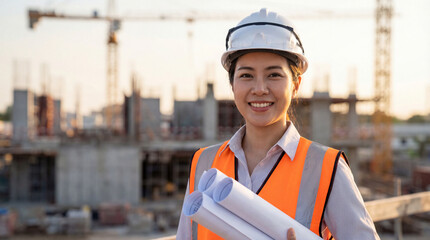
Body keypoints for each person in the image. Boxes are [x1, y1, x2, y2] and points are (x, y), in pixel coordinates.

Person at [177, 8, 380, 240]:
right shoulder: (203, 163)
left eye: (274, 75)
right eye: (246, 75)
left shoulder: (326, 168)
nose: (260, 88)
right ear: (232, 85)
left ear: (295, 85)